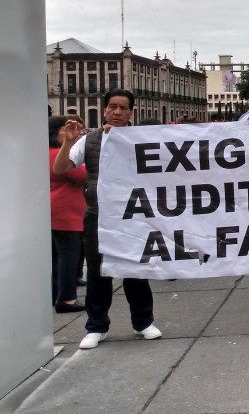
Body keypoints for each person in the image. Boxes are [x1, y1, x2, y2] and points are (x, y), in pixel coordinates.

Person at [53, 89, 161, 349]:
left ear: (131, 112)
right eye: (112, 106)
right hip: (99, 215)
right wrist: (67, 142)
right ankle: (96, 325)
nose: (117, 112)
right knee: (99, 271)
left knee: (135, 269)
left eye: (123, 108)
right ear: (104, 110)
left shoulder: (142, 139)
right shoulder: (90, 140)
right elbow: (60, 169)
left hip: (133, 215)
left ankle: (143, 322)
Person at [49, 115, 88, 313]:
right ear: (56, 133)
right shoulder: (58, 154)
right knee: (68, 256)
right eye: (65, 129)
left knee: (57, 256)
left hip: (54, 209)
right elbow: (80, 175)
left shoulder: (45, 152)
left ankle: (55, 293)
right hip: (66, 211)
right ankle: (67, 299)